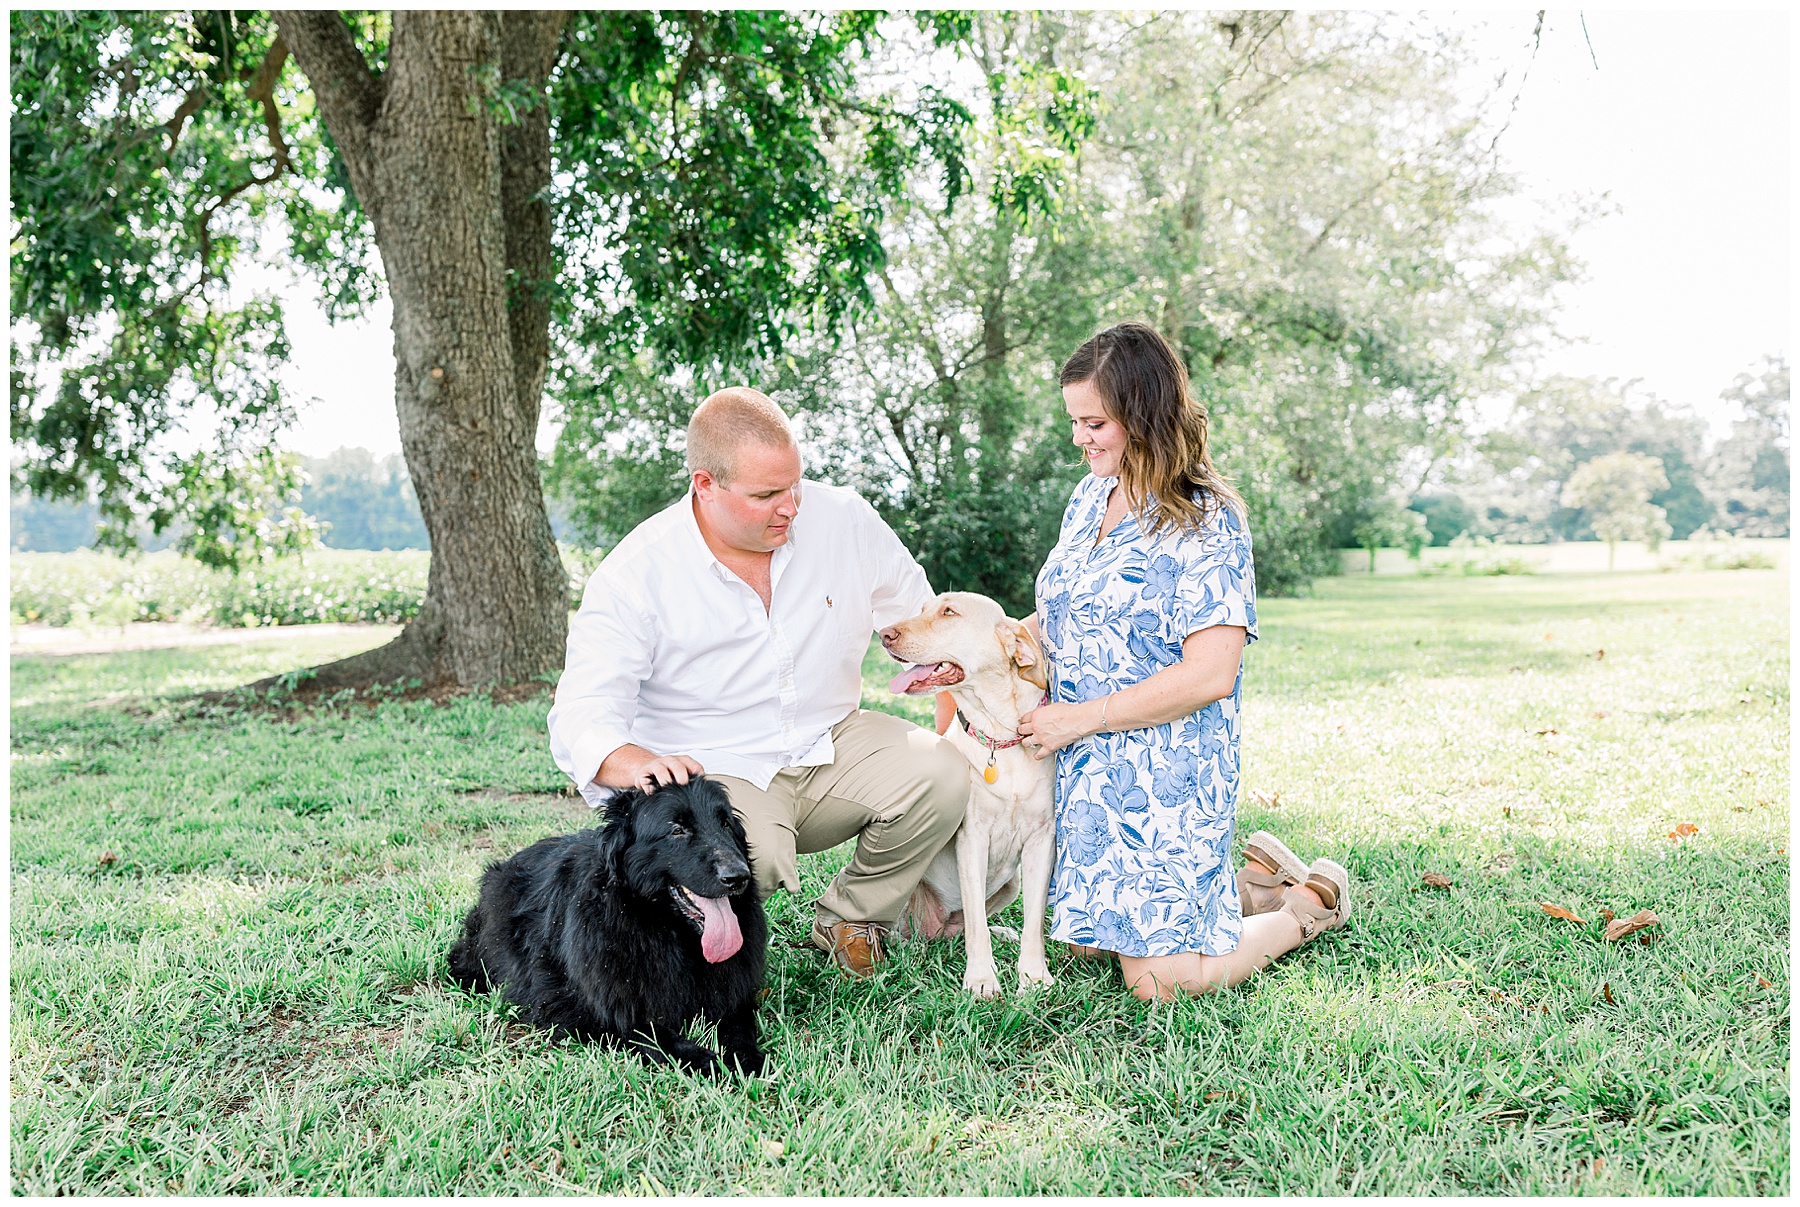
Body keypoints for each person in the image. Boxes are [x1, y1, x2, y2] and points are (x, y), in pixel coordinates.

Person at [547, 387, 966, 978]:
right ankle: (707, 962)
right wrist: (635, 763)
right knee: (743, 854)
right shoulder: (638, 572)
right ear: (705, 485)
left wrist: (962, 705)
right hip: (716, 767)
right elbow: (581, 713)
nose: (790, 506)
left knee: (944, 772)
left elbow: (922, 623)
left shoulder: (843, 519)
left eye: (795, 485)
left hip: (828, 740)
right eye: (766, 495)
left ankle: (852, 918)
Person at [1015, 322, 1351, 1001]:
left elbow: (1210, 674)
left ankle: (1303, 907)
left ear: (1141, 415)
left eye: (1094, 421)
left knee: (1158, 980)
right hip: (1087, 777)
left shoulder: (1208, 519)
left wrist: (1080, 718)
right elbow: (1061, 616)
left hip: (1168, 772)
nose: (1080, 437)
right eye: (1075, 420)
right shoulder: (1088, 499)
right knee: (1088, 946)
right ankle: (1248, 885)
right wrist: (976, 646)